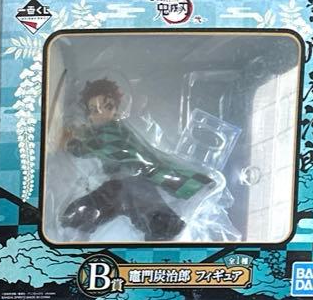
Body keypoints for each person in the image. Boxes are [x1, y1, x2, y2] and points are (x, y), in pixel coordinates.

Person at [58, 78, 215, 242]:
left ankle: (166, 231)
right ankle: (75, 226)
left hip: (130, 181)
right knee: (119, 201)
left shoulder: (111, 132)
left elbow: (96, 148)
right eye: (91, 110)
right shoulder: (113, 130)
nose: (93, 116)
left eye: (99, 109)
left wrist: (70, 144)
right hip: (125, 183)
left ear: (113, 108)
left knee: (129, 201)